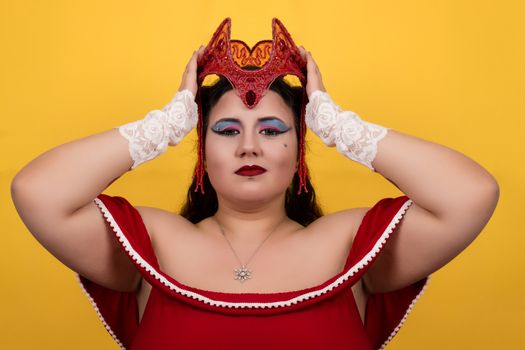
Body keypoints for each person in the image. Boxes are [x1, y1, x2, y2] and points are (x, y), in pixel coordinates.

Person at [11, 24, 499, 350]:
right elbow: (39, 193)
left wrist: (335, 122)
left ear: (300, 150)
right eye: (226, 131)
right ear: (202, 150)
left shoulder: (350, 246)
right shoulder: (150, 244)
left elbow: (469, 195)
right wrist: (166, 122)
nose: (249, 146)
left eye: (272, 130)